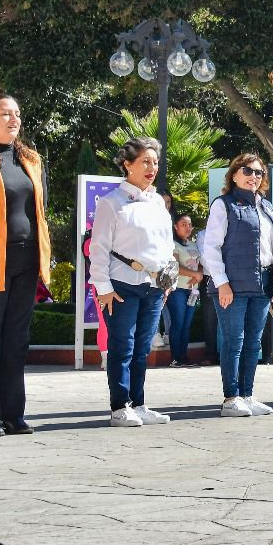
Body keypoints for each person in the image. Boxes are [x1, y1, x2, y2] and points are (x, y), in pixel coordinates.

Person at [89, 137, 176, 427]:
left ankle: (138, 404)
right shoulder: (111, 203)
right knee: (121, 346)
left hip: (153, 287)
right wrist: (104, 289)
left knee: (142, 348)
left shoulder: (157, 203)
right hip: (121, 284)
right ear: (128, 165)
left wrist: (168, 281)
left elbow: (166, 246)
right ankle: (119, 406)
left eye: (155, 162)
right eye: (145, 162)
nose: (152, 167)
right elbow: (98, 249)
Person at [199, 154, 273, 417]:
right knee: (234, 341)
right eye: (247, 170)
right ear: (234, 174)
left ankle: (247, 394)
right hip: (232, 285)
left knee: (254, 343)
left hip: (263, 284)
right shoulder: (224, 205)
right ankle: (231, 397)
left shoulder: (267, 207)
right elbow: (210, 247)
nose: (253, 176)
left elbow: (272, 250)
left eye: (258, 172)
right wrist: (221, 283)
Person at [0, 93, 51, 436]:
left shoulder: (30, 159)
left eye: (17, 113)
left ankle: (14, 414)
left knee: (16, 339)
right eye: (5, 114)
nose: (13, 119)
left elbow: (38, 212)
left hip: (27, 261)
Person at [166, 214, 204, 368]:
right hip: (178, 290)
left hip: (192, 290)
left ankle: (184, 356)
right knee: (178, 323)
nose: (187, 227)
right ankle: (176, 358)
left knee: (186, 325)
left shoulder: (193, 244)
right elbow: (174, 267)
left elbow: (200, 263)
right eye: (183, 224)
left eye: (189, 225)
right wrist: (195, 274)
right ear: (176, 227)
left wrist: (199, 274)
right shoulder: (173, 244)